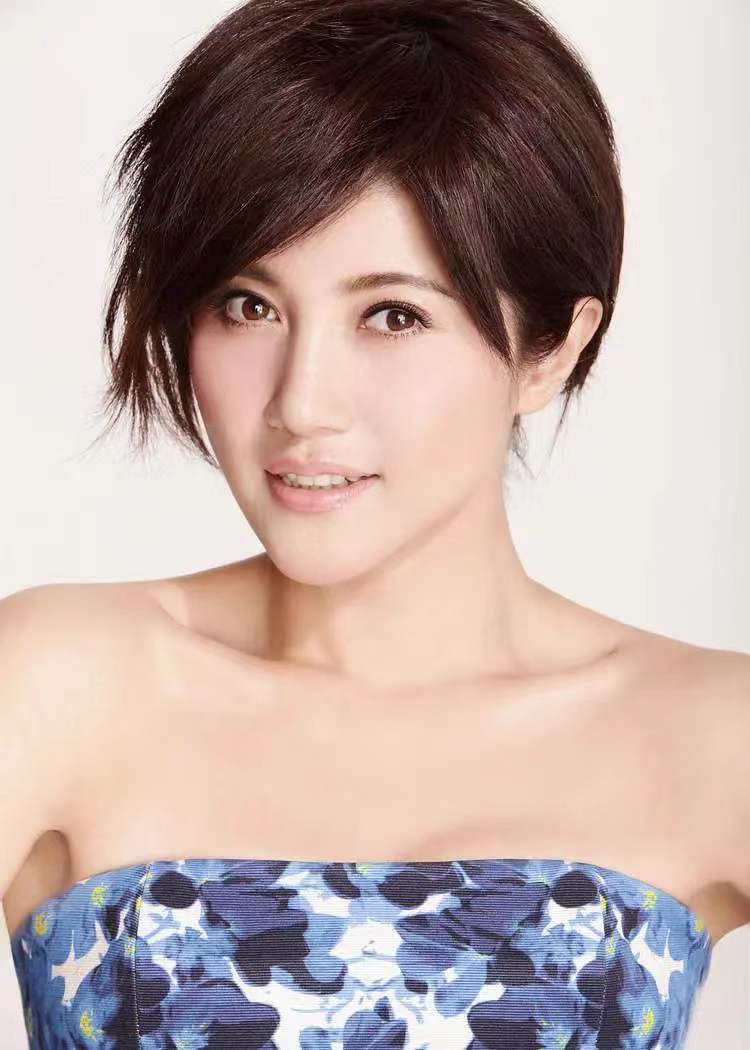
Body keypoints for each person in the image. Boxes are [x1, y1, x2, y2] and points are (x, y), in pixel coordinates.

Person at [2, 0, 747, 1046]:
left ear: (553, 351)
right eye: (247, 305)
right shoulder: (56, 684)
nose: (301, 402)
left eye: (393, 315)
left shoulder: (711, 734)